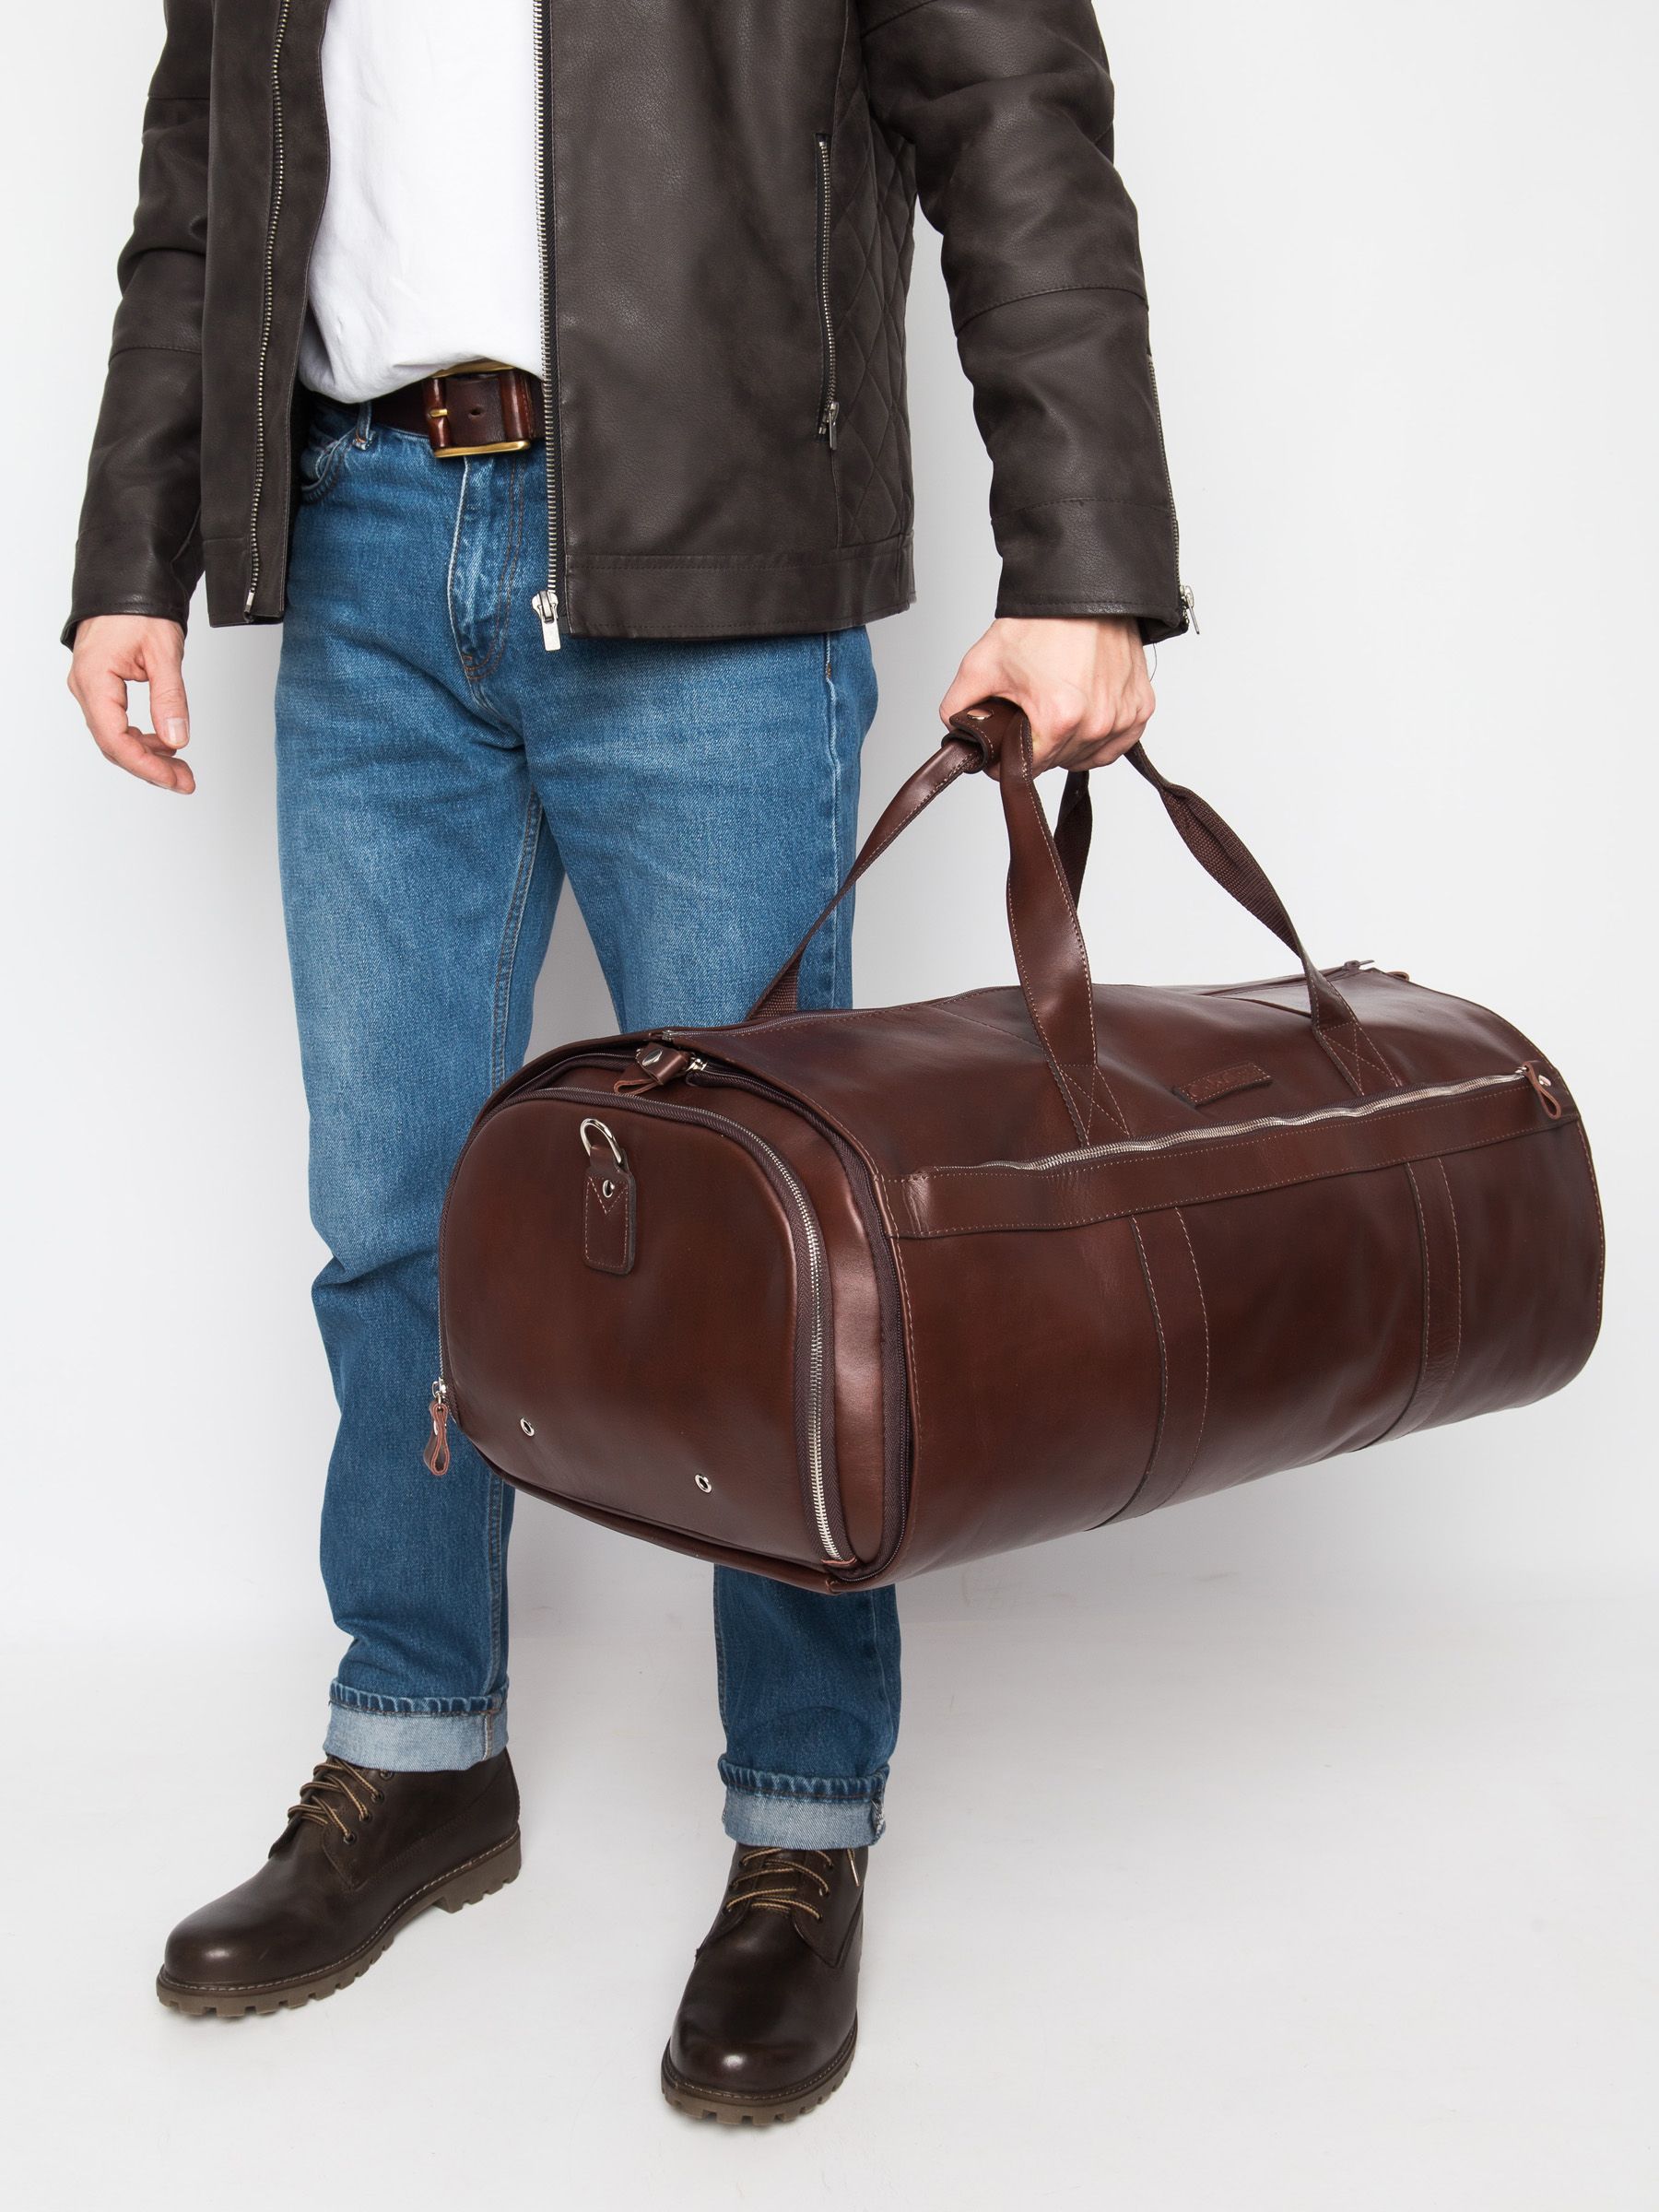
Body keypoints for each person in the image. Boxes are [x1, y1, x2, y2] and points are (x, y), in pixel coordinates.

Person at [65, 0, 1187, 2123]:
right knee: (393, 1218)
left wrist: (1089, 552)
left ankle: (803, 1819)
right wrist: (137, 542)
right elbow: (207, 158)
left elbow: (1008, 103)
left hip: (708, 515)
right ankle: (417, 1753)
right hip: (362, 529)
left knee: (776, 1255)